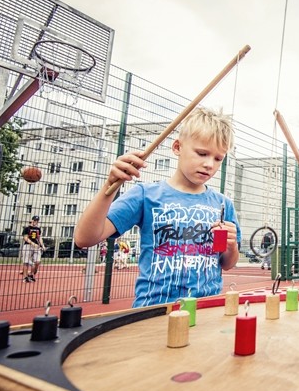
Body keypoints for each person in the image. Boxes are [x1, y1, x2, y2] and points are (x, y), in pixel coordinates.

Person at [73, 107, 241, 307]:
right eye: (202, 153)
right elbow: (84, 238)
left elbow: (227, 264)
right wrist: (109, 186)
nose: (209, 164)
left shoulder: (223, 204)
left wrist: (231, 247)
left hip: (207, 309)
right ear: (177, 147)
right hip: (153, 309)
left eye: (218, 158)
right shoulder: (145, 195)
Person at [21, 215, 46, 282]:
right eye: (34, 220)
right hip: (28, 246)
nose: (36, 222)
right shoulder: (27, 228)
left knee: (37, 261)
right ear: (32, 220)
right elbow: (25, 238)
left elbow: (39, 238)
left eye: (37, 221)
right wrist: (32, 243)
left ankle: (31, 274)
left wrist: (42, 245)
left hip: (36, 246)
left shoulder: (38, 229)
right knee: (26, 262)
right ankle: (25, 277)